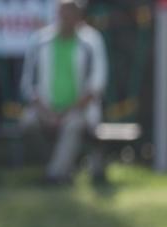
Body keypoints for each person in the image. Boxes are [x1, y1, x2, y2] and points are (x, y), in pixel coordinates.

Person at [19, 0, 107, 184]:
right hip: (45, 110)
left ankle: (55, 175)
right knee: (27, 123)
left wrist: (66, 112)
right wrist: (48, 111)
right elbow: (28, 84)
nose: (65, 19)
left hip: (78, 111)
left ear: (78, 17)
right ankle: (55, 165)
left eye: (70, 15)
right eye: (62, 14)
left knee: (73, 125)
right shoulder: (40, 41)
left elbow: (97, 84)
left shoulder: (91, 41)